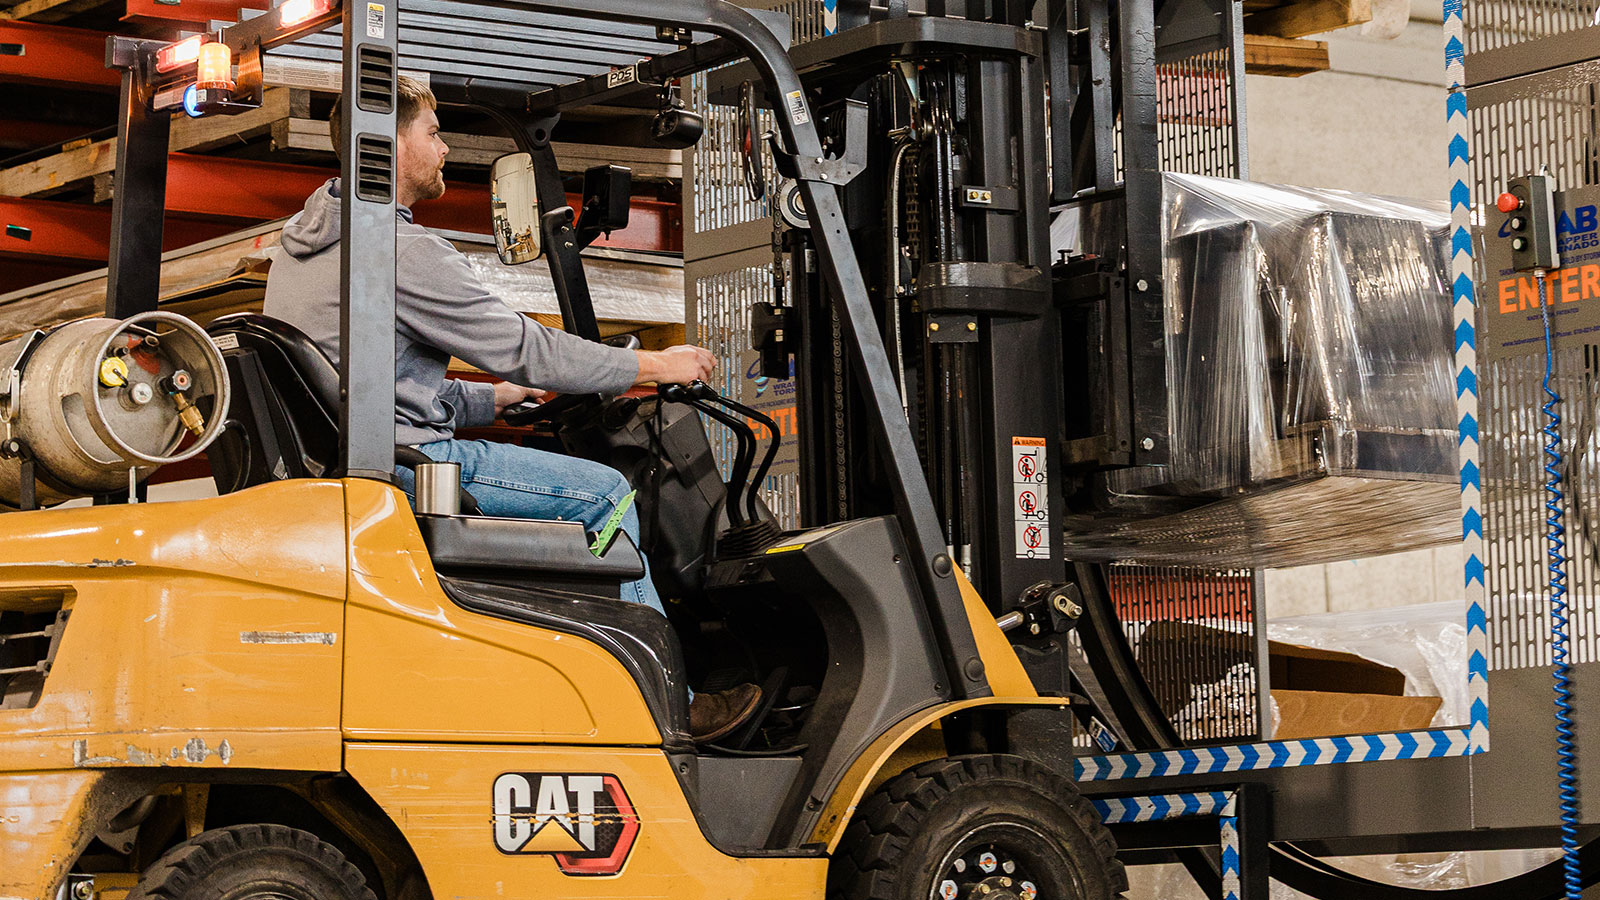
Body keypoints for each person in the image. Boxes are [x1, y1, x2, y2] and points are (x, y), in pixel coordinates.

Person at [263, 75, 759, 743]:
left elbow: (370, 384)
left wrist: (489, 398)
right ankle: (664, 706)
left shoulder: (300, 249)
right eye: (433, 134)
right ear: (387, 144)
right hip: (408, 470)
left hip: (355, 465)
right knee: (608, 496)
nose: (444, 149)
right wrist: (655, 365)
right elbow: (529, 350)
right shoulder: (401, 252)